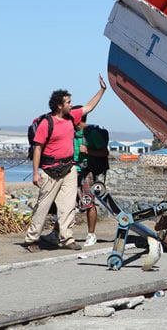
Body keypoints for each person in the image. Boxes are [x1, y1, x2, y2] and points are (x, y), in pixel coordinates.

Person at [24, 76, 106, 252]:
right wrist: (36, 173)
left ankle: (67, 238)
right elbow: (38, 148)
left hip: (69, 169)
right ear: (59, 105)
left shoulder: (72, 117)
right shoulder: (47, 123)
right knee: (43, 206)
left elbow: (89, 107)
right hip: (50, 169)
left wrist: (102, 90)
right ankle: (32, 239)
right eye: (68, 102)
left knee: (68, 206)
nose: (71, 104)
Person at [74, 115, 110, 247]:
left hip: (87, 171)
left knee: (89, 202)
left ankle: (91, 234)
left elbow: (104, 152)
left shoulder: (92, 133)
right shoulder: (71, 133)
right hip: (73, 170)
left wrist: (87, 151)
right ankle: (57, 233)